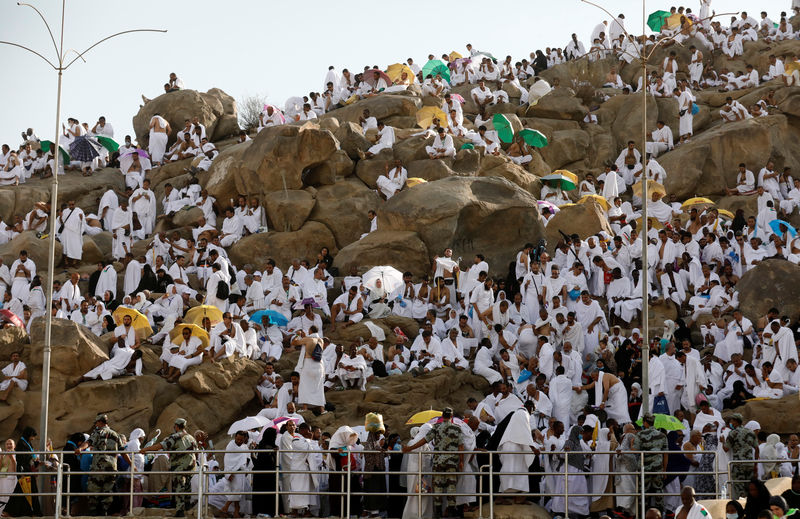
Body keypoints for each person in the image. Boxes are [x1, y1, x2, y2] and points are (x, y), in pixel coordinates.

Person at [403, 407, 464, 517]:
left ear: (442, 416)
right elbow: (461, 446)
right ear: (451, 416)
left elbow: (424, 440)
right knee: (451, 486)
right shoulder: (457, 428)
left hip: (438, 462)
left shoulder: (436, 427)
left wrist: (410, 448)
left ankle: (438, 512)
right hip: (452, 462)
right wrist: (461, 461)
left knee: (438, 486)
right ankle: (451, 511)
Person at [140, 418, 198, 517]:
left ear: (176, 426)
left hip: (180, 466)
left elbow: (161, 446)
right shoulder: (191, 437)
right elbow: (196, 452)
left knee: (179, 486)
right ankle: (187, 506)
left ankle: (180, 511)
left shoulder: (175, 437)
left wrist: (146, 449)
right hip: (191, 466)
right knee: (187, 485)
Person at [74, 413, 130, 516]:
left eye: (96, 423)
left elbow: (89, 442)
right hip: (111, 469)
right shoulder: (115, 434)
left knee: (93, 491)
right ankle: (104, 513)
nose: (96, 425)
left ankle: (94, 513)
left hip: (98, 468)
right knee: (107, 493)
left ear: (100, 422)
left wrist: (80, 449)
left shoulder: (98, 432)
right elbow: (123, 451)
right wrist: (131, 463)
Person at [633, 413, 668, 513]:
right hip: (658, 468)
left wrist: (631, 445)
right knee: (658, 491)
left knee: (643, 491)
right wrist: (664, 469)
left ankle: (642, 514)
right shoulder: (662, 435)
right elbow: (666, 454)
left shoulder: (640, 435)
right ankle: (659, 514)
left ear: (645, 422)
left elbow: (635, 450)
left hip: (644, 468)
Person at [725, 413, 759, 499]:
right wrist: (755, 464)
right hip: (750, 463)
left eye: (732, 421)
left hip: (738, 464)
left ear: (735, 421)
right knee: (749, 486)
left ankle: (741, 504)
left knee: (739, 488)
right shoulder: (751, 432)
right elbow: (757, 449)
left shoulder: (733, 433)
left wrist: (722, 441)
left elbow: (726, 449)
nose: (731, 422)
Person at [292, 330, 326, 414]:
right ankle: (322, 410)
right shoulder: (321, 340)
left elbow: (294, 343)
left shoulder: (308, 339)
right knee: (319, 388)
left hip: (308, 364)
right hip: (319, 366)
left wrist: (298, 334)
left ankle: (305, 408)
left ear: (310, 331)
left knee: (304, 386)